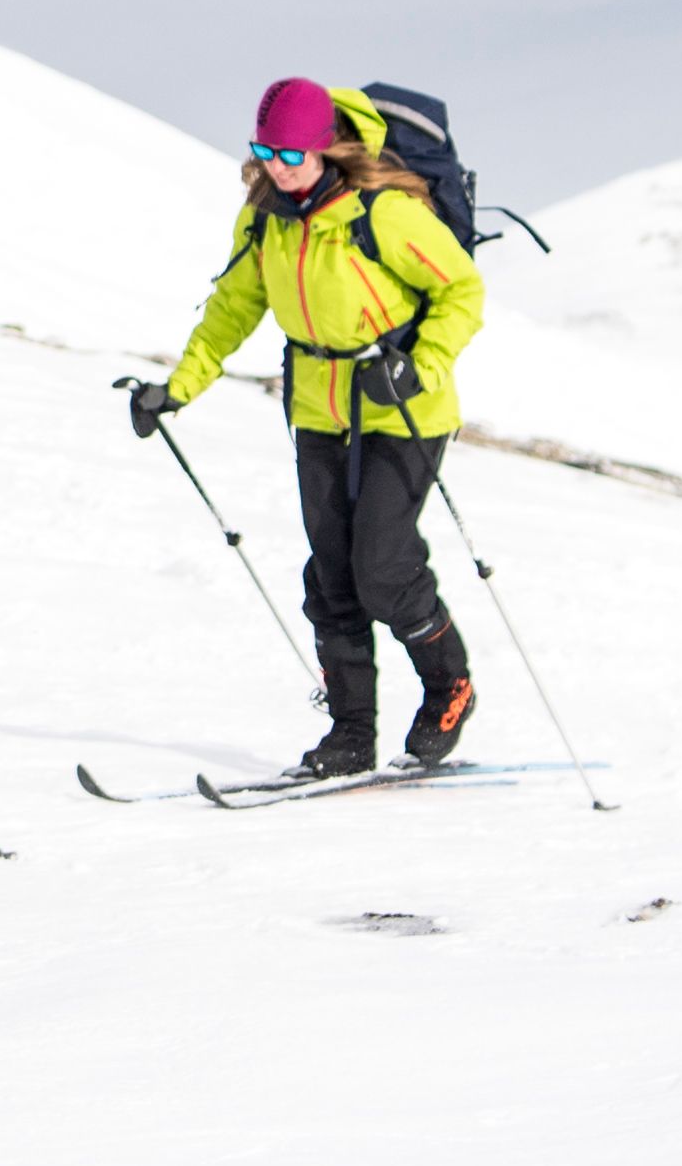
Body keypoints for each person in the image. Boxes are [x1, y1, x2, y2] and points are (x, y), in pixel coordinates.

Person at [127, 77, 489, 778]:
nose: (278, 164)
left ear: (327, 147)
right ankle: (352, 738)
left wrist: (421, 366)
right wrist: (176, 389)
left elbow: (462, 291)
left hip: (403, 406)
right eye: (264, 149)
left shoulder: (383, 214)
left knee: (382, 567)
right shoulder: (265, 217)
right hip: (320, 408)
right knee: (331, 579)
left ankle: (450, 686)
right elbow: (234, 307)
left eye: (292, 150)